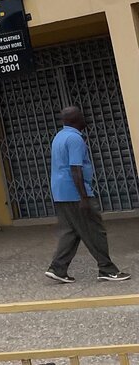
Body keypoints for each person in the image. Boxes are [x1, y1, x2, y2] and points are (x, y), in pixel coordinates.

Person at [45, 106, 130, 283]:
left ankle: (58, 268)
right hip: (75, 193)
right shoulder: (75, 139)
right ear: (76, 119)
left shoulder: (59, 137)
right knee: (95, 230)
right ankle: (107, 269)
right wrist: (83, 198)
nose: (85, 119)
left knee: (72, 231)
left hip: (61, 193)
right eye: (82, 116)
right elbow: (76, 168)